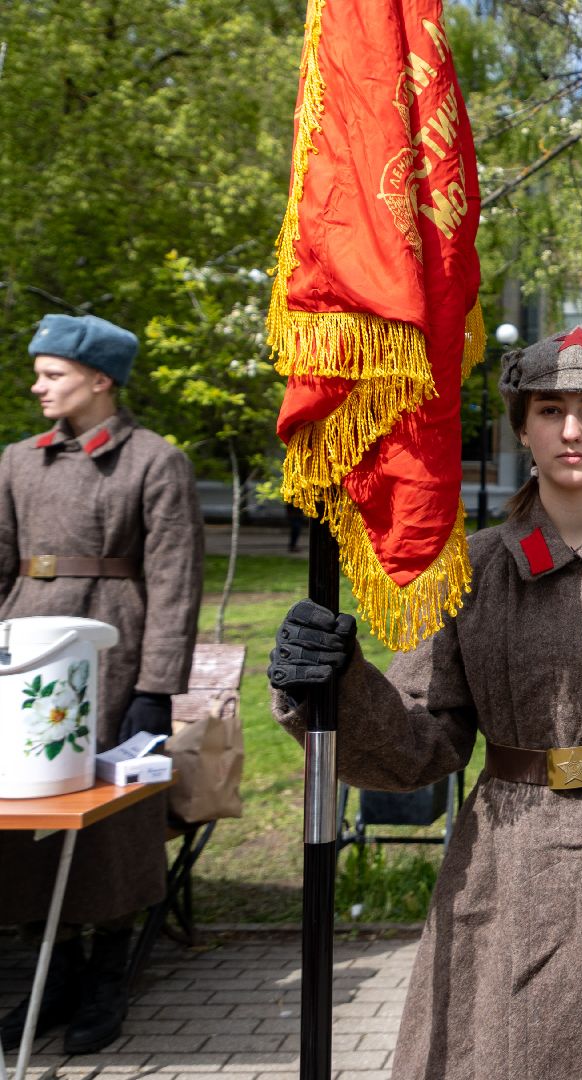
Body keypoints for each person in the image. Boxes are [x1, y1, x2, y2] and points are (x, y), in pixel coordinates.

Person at [268, 328, 582, 1079]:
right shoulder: (468, 571)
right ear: (522, 426)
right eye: (549, 409)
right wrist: (335, 686)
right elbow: (419, 747)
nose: (571, 431)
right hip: (501, 871)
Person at [0, 314, 204, 1055]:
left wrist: (156, 686)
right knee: (28, 807)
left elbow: (175, 580)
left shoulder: (154, 461)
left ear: (99, 380)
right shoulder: (17, 462)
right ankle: (52, 967)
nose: (38, 385)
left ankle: (109, 968)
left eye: (52, 373)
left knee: (113, 819)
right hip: (25, 654)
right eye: (40, 372)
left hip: (113, 653)